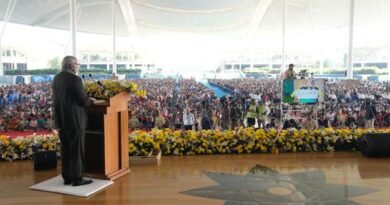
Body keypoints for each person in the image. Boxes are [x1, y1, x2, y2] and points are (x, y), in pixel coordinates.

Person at [52, 56, 95, 186]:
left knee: (66, 150)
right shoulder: (75, 79)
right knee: (76, 150)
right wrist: (91, 101)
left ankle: (67, 177)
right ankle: (77, 178)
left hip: (62, 119)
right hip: (75, 120)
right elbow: (83, 100)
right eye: (78, 65)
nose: (78, 67)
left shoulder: (57, 78)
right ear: (71, 66)